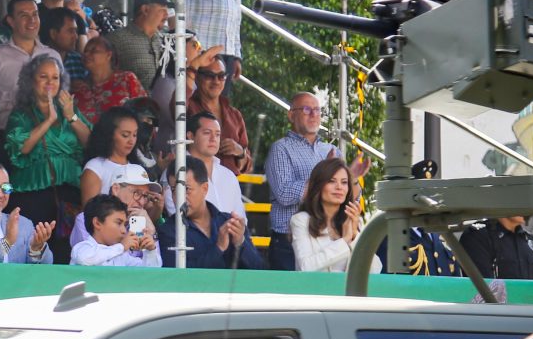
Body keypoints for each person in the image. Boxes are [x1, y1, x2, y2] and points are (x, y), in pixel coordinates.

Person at [4, 55, 91, 263]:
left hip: (68, 195)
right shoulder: (20, 115)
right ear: (31, 80)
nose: (50, 82)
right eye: (43, 76)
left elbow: (90, 143)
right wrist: (49, 120)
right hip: (33, 194)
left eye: (55, 77)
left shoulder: (69, 110)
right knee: (35, 250)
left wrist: (71, 116)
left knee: (67, 252)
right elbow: (21, 147)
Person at [265, 92, 365, 271]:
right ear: (291, 115)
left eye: (317, 110)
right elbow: (284, 194)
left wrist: (352, 178)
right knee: (292, 296)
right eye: (306, 109)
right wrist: (322, 177)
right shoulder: (281, 148)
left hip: (328, 235)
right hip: (288, 240)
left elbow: (348, 197)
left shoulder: (330, 149)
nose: (313, 114)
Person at [0, 0, 67, 132]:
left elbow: (64, 98)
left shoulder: (52, 55)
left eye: (35, 14)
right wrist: (15, 96)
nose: (32, 20)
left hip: (50, 138)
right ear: (11, 21)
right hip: (9, 137)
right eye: (24, 15)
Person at [159, 155, 263, 270]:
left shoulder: (228, 222)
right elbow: (179, 277)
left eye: (186, 189)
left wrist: (240, 242)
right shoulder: (168, 231)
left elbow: (259, 269)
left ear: (205, 188)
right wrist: (218, 248)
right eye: (174, 190)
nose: (180, 197)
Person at [290, 157, 381, 274]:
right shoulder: (301, 220)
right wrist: (344, 241)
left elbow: (375, 270)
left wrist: (354, 237)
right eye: (332, 181)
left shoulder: (352, 221)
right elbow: (306, 267)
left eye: (344, 182)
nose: (339, 187)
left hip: (347, 292)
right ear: (318, 186)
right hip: (315, 291)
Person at [162, 112, 246, 220]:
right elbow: (177, 218)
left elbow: (241, 220)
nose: (213, 138)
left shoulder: (229, 175)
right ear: (190, 136)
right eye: (207, 133)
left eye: (217, 134)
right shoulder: (176, 172)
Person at [70, 162, 165, 250]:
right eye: (137, 193)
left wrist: (152, 233)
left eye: (145, 196)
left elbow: (151, 267)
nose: (141, 202)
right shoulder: (86, 218)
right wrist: (122, 246)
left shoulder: (140, 223)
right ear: (116, 189)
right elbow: (91, 259)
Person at [187, 57, 251, 174]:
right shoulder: (187, 106)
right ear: (197, 78)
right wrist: (193, 67)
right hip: (196, 183)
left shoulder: (235, 115)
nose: (216, 81)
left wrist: (240, 152)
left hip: (229, 184)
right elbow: (176, 102)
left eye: (221, 76)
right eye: (209, 75)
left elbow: (248, 165)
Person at [104, 0, 171, 91]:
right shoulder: (116, 40)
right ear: (145, 10)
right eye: (162, 9)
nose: (167, 14)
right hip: (129, 106)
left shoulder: (166, 42)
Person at [70, 193, 161, 267]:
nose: (124, 231)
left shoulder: (122, 256)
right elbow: (85, 259)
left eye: (125, 224)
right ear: (97, 223)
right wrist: (122, 247)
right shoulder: (82, 248)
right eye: (118, 223)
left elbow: (148, 274)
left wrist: (150, 251)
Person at [72, 36, 147, 123]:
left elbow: (146, 113)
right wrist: (72, 120)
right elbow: (71, 120)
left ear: (108, 55)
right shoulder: (79, 88)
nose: (86, 54)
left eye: (93, 51)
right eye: (85, 51)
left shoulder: (127, 79)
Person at [79, 105, 140, 207]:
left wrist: (157, 208)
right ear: (109, 134)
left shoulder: (137, 168)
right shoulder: (95, 168)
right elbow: (89, 213)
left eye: (135, 135)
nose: (131, 141)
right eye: (125, 135)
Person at [459, 216, 533, 280]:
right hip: (497, 308)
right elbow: (483, 289)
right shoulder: (478, 236)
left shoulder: (529, 240)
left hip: (531, 307)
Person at [41, 6, 87, 84]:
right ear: (53, 34)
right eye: (70, 31)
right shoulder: (38, 62)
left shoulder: (80, 61)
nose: (75, 36)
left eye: (76, 31)